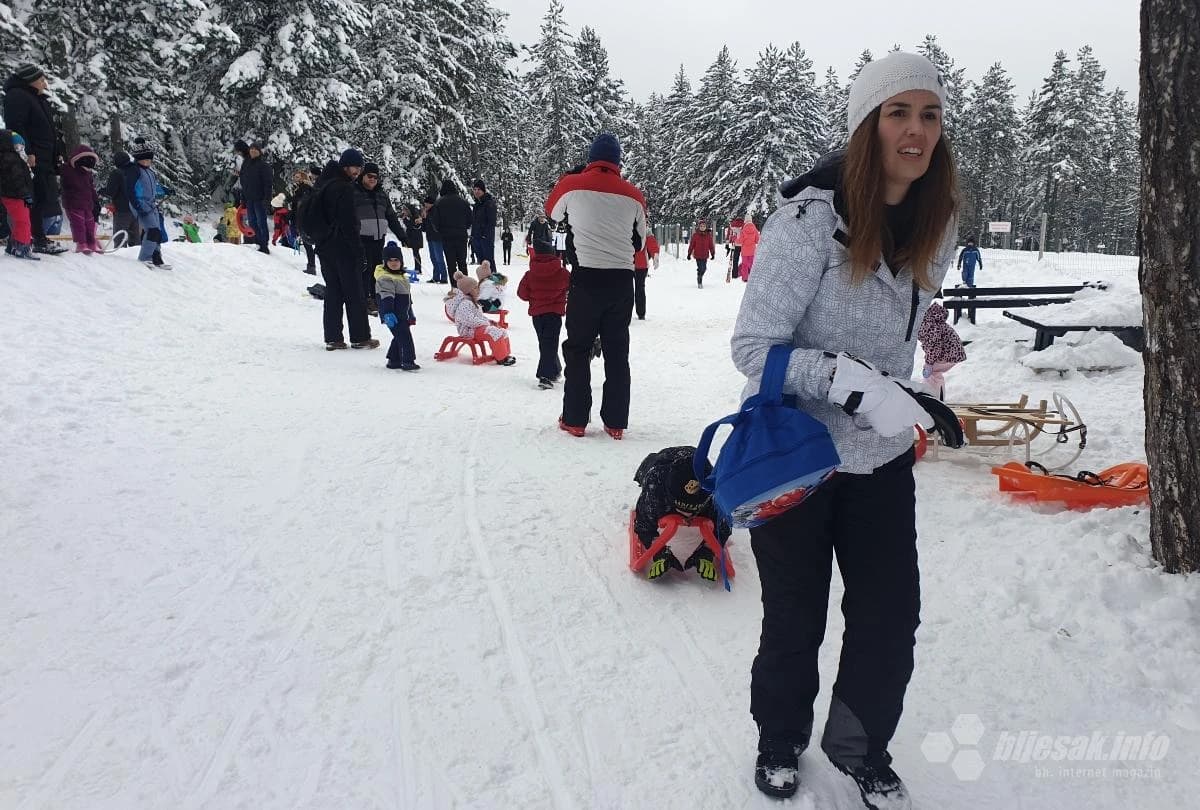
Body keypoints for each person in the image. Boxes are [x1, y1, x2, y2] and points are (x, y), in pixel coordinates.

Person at [729, 51, 963, 805]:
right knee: (795, 615)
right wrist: (845, 382)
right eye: (899, 113)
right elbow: (752, 348)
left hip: (883, 462)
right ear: (868, 125)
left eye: (929, 115)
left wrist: (928, 385)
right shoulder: (807, 219)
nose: (916, 131)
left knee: (891, 619)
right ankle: (779, 737)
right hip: (798, 458)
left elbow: (917, 317)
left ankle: (863, 750)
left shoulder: (940, 219)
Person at [547, 132, 648, 440]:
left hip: (586, 278)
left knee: (578, 348)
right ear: (618, 162)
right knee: (617, 351)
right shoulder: (634, 195)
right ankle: (616, 422)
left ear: (591, 159)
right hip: (620, 281)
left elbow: (552, 213)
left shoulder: (571, 185)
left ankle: (576, 419)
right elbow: (640, 241)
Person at [312, 149, 379, 351]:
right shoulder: (343, 188)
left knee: (333, 292)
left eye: (359, 167)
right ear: (345, 166)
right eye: (354, 167)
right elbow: (349, 224)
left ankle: (333, 337)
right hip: (342, 248)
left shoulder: (323, 184)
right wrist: (359, 251)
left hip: (324, 247)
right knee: (355, 292)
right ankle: (360, 337)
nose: (357, 171)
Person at [632, 446, 731, 581]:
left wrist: (707, 551)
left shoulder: (715, 492)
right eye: (681, 508)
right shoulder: (655, 483)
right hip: (662, 462)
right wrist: (659, 552)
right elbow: (643, 525)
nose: (686, 514)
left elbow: (724, 525)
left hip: (698, 464)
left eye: (692, 510)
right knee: (646, 478)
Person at [2, 64, 67, 255]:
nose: (44, 83)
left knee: (42, 196)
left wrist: (56, 154)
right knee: (31, 198)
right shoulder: (17, 96)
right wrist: (26, 152)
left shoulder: (38, 98)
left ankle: (38, 238)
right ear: (30, 80)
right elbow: (16, 127)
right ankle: (25, 239)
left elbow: (49, 132)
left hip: (44, 157)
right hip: (32, 157)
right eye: (41, 79)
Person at [517, 235, 570, 389]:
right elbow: (572, 288)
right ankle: (546, 375)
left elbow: (522, 294)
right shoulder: (562, 273)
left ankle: (553, 370)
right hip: (554, 313)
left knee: (545, 343)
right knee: (550, 343)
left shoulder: (530, 274)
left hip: (537, 314)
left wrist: (535, 297)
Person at [355, 162, 406, 314]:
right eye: (370, 176)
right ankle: (364, 300)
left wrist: (402, 235)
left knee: (377, 270)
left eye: (376, 177)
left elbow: (391, 217)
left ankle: (376, 297)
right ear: (363, 176)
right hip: (361, 238)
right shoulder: (354, 192)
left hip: (379, 239)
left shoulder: (382, 194)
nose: (373, 179)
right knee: (364, 269)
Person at [446, 272, 517, 366]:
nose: (478, 289)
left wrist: (489, 322)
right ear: (468, 291)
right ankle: (501, 358)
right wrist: (485, 324)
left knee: (501, 331)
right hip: (468, 330)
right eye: (475, 288)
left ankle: (505, 354)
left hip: (477, 328)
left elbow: (479, 317)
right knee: (493, 332)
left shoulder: (474, 302)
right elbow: (469, 320)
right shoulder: (465, 303)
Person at [124, 139, 171, 269]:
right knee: (152, 230)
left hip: (151, 204)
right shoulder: (134, 170)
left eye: (149, 160)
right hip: (140, 204)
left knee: (158, 231)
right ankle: (144, 257)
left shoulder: (150, 172)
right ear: (138, 159)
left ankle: (156, 258)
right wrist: (137, 206)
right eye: (144, 160)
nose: (147, 162)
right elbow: (130, 190)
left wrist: (166, 190)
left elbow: (154, 187)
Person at [375, 241, 419, 371]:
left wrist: (410, 314)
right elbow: (386, 297)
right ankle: (408, 361)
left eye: (396, 260)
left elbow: (407, 300)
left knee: (399, 337)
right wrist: (388, 313)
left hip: (402, 314)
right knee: (405, 337)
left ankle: (393, 360)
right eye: (390, 260)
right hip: (392, 315)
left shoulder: (400, 277)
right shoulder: (386, 278)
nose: (394, 263)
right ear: (385, 262)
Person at [0, 129, 39, 260]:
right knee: (23, 222)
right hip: (16, 196)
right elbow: (17, 180)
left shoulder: (10, 158)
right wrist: (25, 195)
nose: (21, 149)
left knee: (17, 221)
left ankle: (13, 246)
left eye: (22, 147)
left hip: (12, 195)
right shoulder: (12, 159)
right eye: (17, 146)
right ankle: (22, 247)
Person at [918, 300, 966, 399]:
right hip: (952, 353)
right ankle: (937, 396)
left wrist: (929, 363)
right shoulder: (932, 322)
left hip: (949, 354)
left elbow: (934, 346)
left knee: (931, 373)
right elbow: (931, 344)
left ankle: (931, 397)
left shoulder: (928, 325)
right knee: (935, 374)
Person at [59, 144, 102, 254]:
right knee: (78, 224)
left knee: (89, 224)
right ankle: (81, 244)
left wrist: (95, 201)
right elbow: (65, 184)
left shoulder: (87, 174)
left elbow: (91, 188)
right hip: (74, 203)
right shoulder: (68, 170)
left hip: (87, 204)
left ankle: (91, 243)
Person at [430, 179, 472, 284]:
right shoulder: (463, 202)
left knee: (451, 263)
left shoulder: (439, 203)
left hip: (447, 237)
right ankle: (465, 286)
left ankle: (454, 286)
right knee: (462, 262)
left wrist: (441, 231)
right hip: (461, 236)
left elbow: (435, 221)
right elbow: (470, 219)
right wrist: (463, 227)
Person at [238, 141, 273, 254]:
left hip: (260, 199)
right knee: (252, 222)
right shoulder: (246, 164)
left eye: (255, 149)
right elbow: (243, 182)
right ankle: (259, 241)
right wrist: (243, 198)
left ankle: (264, 244)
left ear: (259, 152)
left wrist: (267, 199)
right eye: (251, 149)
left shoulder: (264, 165)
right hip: (249, 199)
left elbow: (268, 183)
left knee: (261, 222)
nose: (253, 151)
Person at [103, 151, 142, 247]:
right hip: (136, 209)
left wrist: (101, 191)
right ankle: (137, 259)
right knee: (136, 241)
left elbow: (110, 191)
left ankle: (121, 260)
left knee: (120, 239)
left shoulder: (117, 173)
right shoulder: (136, 170)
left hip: (122, 210)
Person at [290, 167, 317, 273]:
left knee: (307, 243)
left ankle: (311, 266)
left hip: (303, 217)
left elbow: (301, 204)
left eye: (297, 177)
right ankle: (311, 265)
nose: (295, 178)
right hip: (301, 216)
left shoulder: (304, 188)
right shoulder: (301, 188)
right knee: (306, 243)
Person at [470, 178, 497, 267]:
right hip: (476, 238)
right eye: (475, 189)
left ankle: (494, 280)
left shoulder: (489, 203)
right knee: (482, 264)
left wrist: (485, 235)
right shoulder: (476, 204)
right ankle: (484, 280)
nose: (476, 191)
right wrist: (473, 236)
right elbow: (474, 222)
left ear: (483, 191)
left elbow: (491, 222)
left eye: (479, 189)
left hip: (486, 239)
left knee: (489, 263)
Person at [422, 195, 448, 283]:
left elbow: (436, 223)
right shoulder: (427, 212)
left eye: (427, 203)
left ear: (431, 204)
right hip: (430, 238)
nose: (425, 205)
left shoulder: (436, 211)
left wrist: (427, 217)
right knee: (433, 257)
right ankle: (436, 276)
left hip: (437, 238)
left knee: (439, 257)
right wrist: (424, 219)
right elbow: (424, 228)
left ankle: (444, 277)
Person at [687, 219, 715, 288]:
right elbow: (692, 245)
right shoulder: (695, 235)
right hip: (698, 255)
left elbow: (711, 245)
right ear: (699, 227)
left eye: (703, 226)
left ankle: (699, 275)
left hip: (705, 255)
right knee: (700, 268)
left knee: (704, 268)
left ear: (706, 227)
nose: (702, 227)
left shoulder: (708, 235)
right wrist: (689, 254)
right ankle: (699, 281)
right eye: (701, 226)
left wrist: (713, 253)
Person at [633, 228, 652, 320]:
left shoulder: (646, 231)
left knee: (639, 288)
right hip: (626, 263)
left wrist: (654, 254)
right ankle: (624, 312)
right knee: (626, 289)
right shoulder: (625, 225)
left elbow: (652, 244)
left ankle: (641, 313)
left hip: (641, 265)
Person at [736, 216, 761, 282]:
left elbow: (740, 241)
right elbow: (757, 240)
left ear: (745, 221)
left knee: (744, 264)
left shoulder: (743, 230)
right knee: (751, 263)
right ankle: (754, 276)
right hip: (752, 250)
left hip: (744, 251)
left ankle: (745, 278)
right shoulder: (755, 229)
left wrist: (736, 241)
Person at [402, 203, 424, 275]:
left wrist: (405, 220)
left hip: (416, 238)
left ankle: (418, 268)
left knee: (416, 253)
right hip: (412, 238)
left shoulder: (415, 216)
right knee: (415, 253)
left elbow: (412, 225)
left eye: (405, 210)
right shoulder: (410, 217)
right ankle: (417, 268)